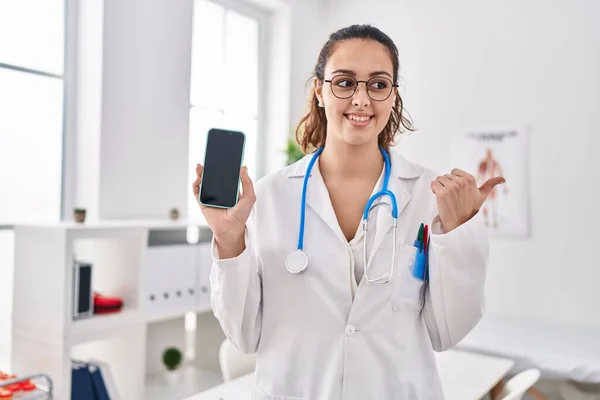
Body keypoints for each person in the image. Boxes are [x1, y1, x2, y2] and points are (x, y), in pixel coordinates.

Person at [193, 24, 505, 400]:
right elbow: (244, 336)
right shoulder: (269, 196)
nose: (361, 100)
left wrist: (458, 234)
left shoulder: (430, 195)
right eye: (344, 82)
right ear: (320, 91)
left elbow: (447, 332)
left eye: (378, 84)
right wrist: (228, 241)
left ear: (393, 96)